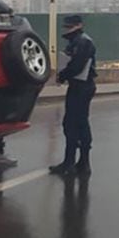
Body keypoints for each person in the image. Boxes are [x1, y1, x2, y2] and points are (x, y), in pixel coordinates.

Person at [49, 15, 97, 175]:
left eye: (70, 27)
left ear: (79, 25)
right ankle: (77, 162)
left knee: (75, 123)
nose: (68, 30)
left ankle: (76, 163)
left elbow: (76, 65)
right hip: (79, 85)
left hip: (82, 86)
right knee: (75, 123)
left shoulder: (83, 42)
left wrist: (62, 76)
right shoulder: (78, 41)